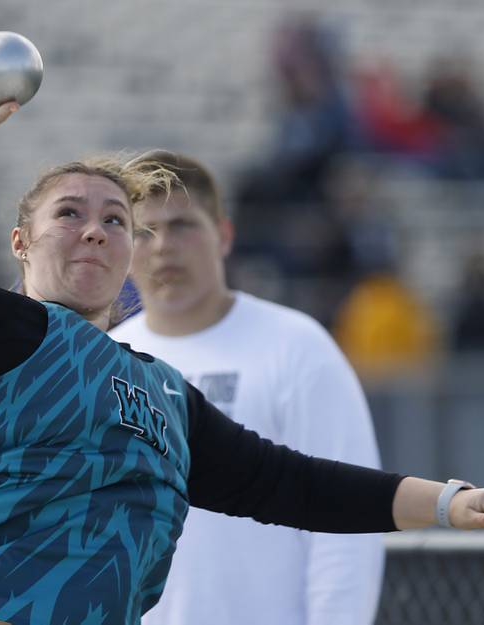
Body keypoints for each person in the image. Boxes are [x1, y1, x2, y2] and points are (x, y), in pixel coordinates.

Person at [0, 70, 484, 625]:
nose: (94, 229)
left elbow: (292, 483)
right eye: (70, 213)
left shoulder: (166, 393)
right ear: (20, 244)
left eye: (115, 219)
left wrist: (447, 501)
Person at [109, 150, 385, 625]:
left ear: (224, 234)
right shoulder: (107, 360)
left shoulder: (297, 347)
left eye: (183, 226)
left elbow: (348, 520)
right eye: (144, 232)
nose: (163, 247)